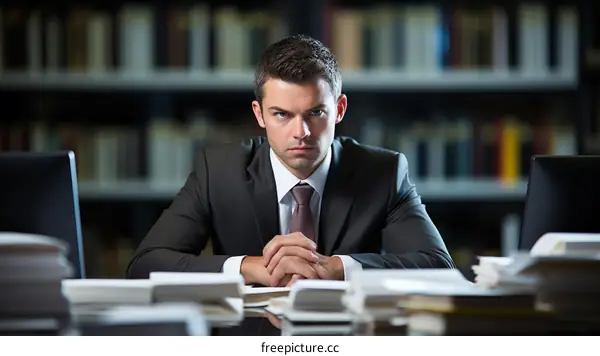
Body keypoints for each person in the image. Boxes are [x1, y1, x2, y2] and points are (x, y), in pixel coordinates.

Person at [126, 34, 456, 286]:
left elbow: (439, 266)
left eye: (315, 113)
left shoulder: (384, 173)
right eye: (282, 115)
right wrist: (252, 267)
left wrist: (336, 267)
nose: (301, 132)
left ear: (339, 110)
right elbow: (145, 264)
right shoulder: (218, 172)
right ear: (260, 114)